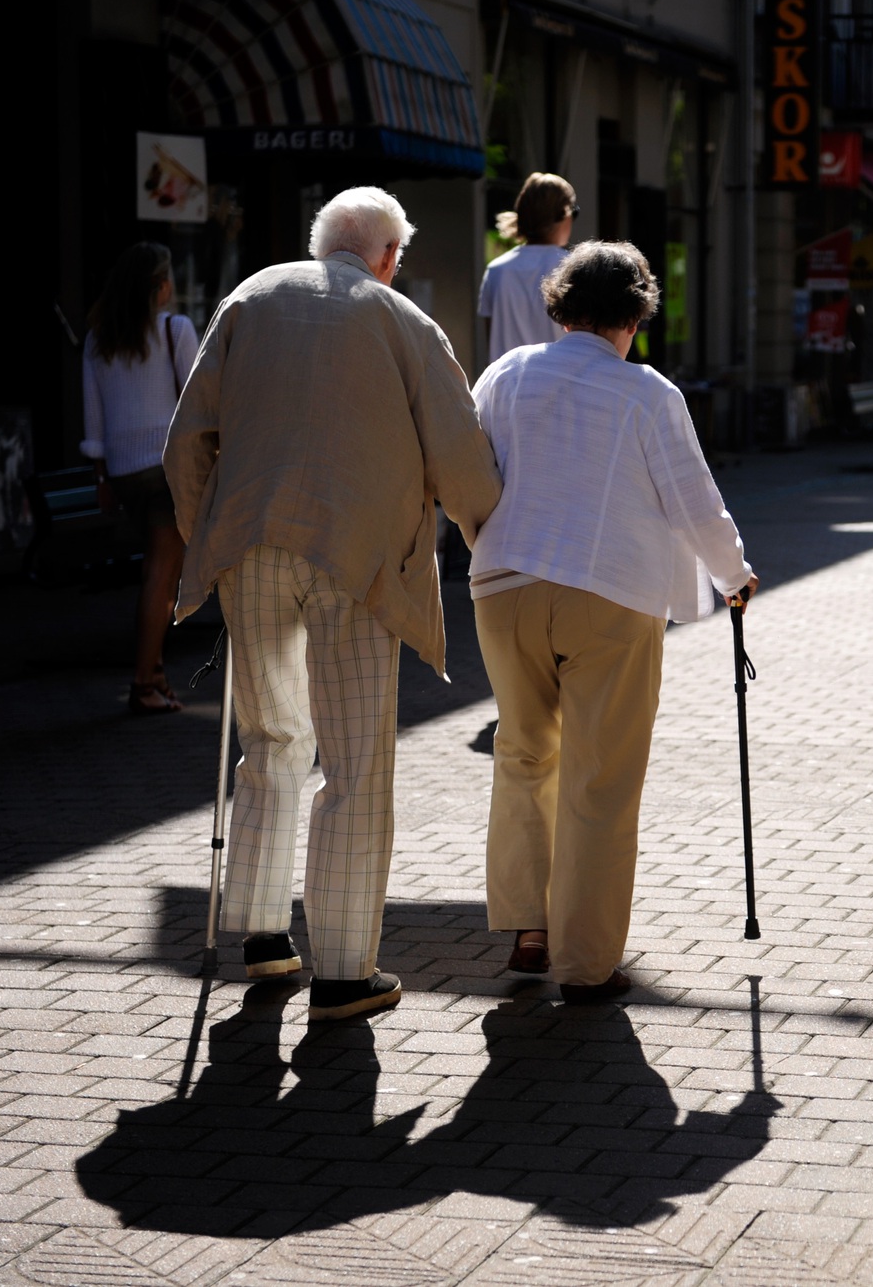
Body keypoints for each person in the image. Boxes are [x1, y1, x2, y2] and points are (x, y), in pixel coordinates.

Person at [165, 187, 503, 1022]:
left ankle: (258, 932)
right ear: (386, 256)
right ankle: (347, 971)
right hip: (357, 561)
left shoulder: (250, 296)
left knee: (271, 737)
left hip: (250, 545)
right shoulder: (403, 321)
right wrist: (488, 528)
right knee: (356, 766)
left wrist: (205, 530)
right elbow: (460, 449)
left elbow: (188, 436)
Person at [468, 242, 756, 1004]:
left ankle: (531, 926)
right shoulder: (647, 393)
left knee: (525, 753)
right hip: (609, 591)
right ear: (634, 314)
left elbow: (468, 472)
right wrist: (734, 575)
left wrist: (485, 545)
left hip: (504, 585)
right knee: (600, 778)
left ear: (560, 306)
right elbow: (695, 500)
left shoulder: (505, 375)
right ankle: (586, 961)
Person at [81, 243, 200, 716]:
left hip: (124, 470)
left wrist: (101, 475)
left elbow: (93, 418)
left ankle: (154, 675)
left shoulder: (97, 340)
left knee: (157, 572)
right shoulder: (176, 329)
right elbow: (197, 400)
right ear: (159, 287)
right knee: (161, 576)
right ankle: (143, 683)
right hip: (166, 466)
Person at [478, 172, 578, 365]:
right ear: (563, 215)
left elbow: (491, 339)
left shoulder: (496, 271)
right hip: (559, 387)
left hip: (507, 388)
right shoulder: (572, 269)